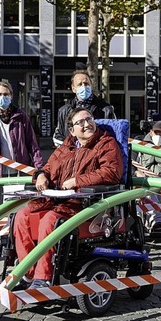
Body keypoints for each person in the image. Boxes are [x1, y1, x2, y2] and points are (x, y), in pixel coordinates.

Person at [12, 108, 124, 290]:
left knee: (50, 221)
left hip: (84, 203)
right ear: (72, 130)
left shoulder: (106, 143)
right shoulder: (66, 147)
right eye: (80, 122)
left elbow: (111, 172)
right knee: (21, 216)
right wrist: (40, 176)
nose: (87, 124)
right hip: (57, 199)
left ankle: (44, 278)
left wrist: (77, 181)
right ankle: (28, 274)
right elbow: (47, 168)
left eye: (89, 119)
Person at [0, 81, 44, 206]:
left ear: (11, 96)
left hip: (21, 172)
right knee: (2, 209)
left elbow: (32, 145)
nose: (3, 97)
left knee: (21, 208)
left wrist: (39, 169)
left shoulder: (21, 117)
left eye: (6, 94)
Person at [52, 70, 116, 146]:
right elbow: (57, 136)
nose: (84, 87)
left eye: (86, 83)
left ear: (91, 85)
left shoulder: (106, 109)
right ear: (73, 89)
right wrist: (71, 148)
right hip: (71, 155)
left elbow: (115, 135)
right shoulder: (64, 111)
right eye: (79, 84)